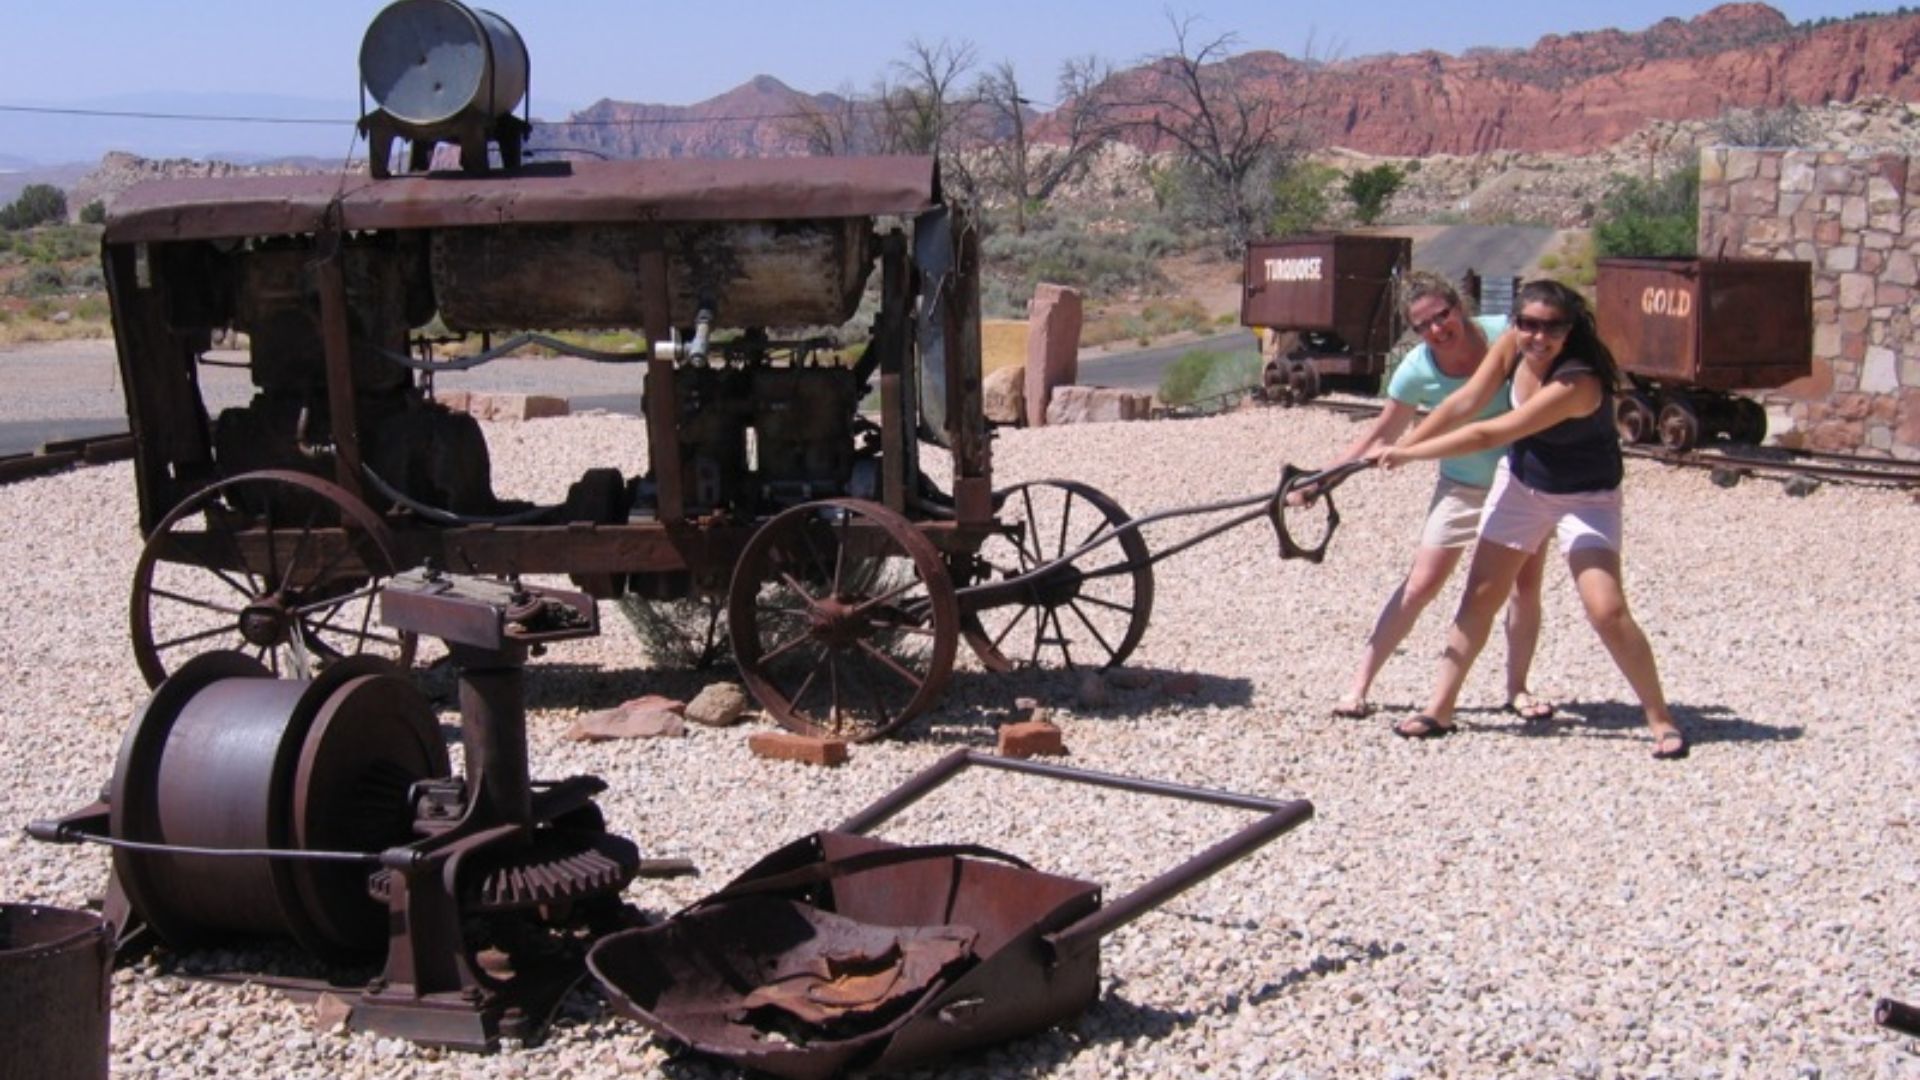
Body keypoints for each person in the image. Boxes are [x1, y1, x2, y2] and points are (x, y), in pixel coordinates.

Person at [1374, 279, 1685, 760]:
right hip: (1524, 486)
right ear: (1515, 321)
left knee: (1606, 608)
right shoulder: (1511, 345)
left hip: (1587, 498)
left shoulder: (1577, 381)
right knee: (1480, 596)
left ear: (1570, 328)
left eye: (1551, 327)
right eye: (1527, 324)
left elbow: (1491, 431)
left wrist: (1410, 454)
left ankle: (1659, 717)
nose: (1537, 337)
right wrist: (1405, 445)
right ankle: (1440, 709)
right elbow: (1463, 403)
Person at [1305, 271, 1552, 722]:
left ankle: (1518, 688)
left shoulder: (1505, 335)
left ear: (1459, 307)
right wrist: (1321, 481)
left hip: (1521, 482)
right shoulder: (1417, 369)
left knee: (1524, 585)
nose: (1437, 329)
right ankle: (1358, 686)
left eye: (1443, 315)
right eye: (1424, 326)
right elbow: (1380, 436)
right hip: (1461, 482)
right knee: (1422, 584)